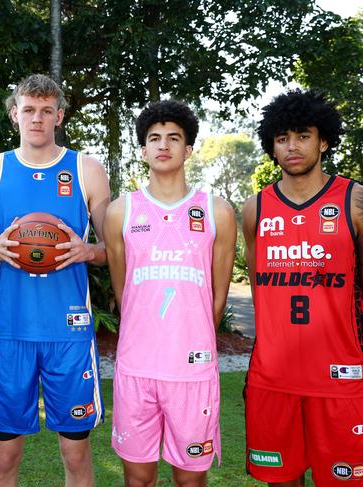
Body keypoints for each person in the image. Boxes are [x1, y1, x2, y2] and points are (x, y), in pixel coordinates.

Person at [0, 74, 110, 486]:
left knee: (75, 452)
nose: (37, 118)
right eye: (29, 109)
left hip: (70, 331)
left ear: (59, 116)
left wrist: (88, 251)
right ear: (15, 114)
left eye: (46, 110)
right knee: (5, 454)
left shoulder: (86, 169)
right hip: (12, 330)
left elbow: (111, 249)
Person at [104, 100, 236, 486]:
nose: (163, 145)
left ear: (188, 149)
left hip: (192, 371)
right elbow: (123, 288)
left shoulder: (217, 211)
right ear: (143, 150)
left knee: (190, 481)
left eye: (173, 138)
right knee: (138, 478)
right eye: (154, 138)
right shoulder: (120, 212)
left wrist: (190, 338)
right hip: (137, 366)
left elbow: (217, 297)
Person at [243, 89, 363, 486]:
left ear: (324, 140)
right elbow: (261, 284)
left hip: (341, 376)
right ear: (271, 148)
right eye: (282, 138)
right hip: (272, 377)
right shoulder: (255, 208)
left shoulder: (354, 200)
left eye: (303, 135)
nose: (292, 146)